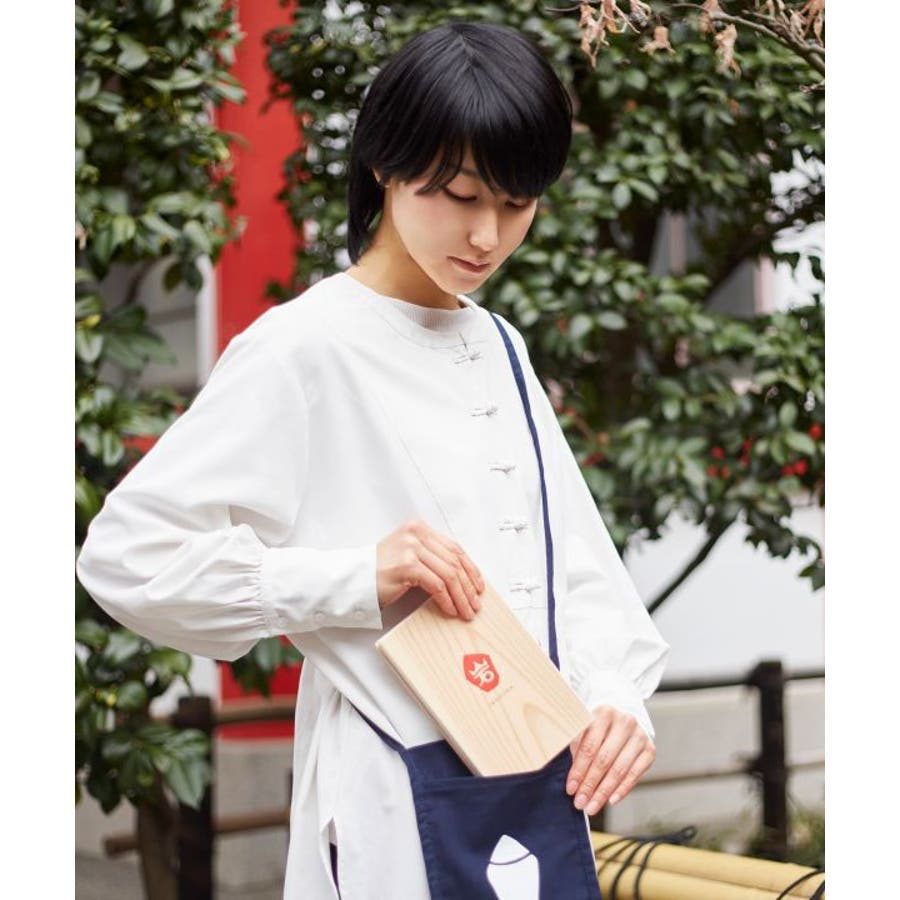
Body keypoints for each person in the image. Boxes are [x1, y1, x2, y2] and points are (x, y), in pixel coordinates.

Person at [77, 20, 669, 900]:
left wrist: (616, 696)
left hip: (532, 788)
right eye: (460, 194)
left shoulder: (501, 345)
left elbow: (575, 570)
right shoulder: (304, 346)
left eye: (517, 204)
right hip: (390, 796)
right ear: (388, 166)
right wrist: (355, 577)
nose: (488, 235)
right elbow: (125, 557)